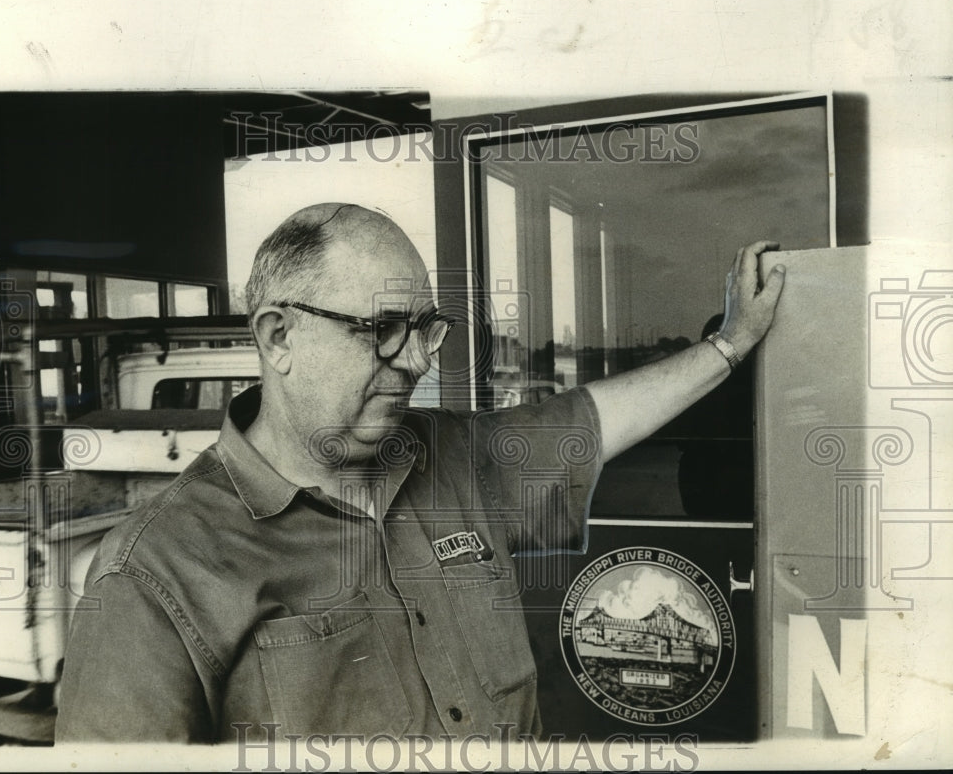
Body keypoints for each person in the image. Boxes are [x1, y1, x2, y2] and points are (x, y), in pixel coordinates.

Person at [55, 202, 785, 743]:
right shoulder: (153, 575)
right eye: (381, 330)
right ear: (279, 336)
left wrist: (730, 344)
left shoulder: (454, 460)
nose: (415, 361)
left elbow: (592, 421)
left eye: (425, 328)